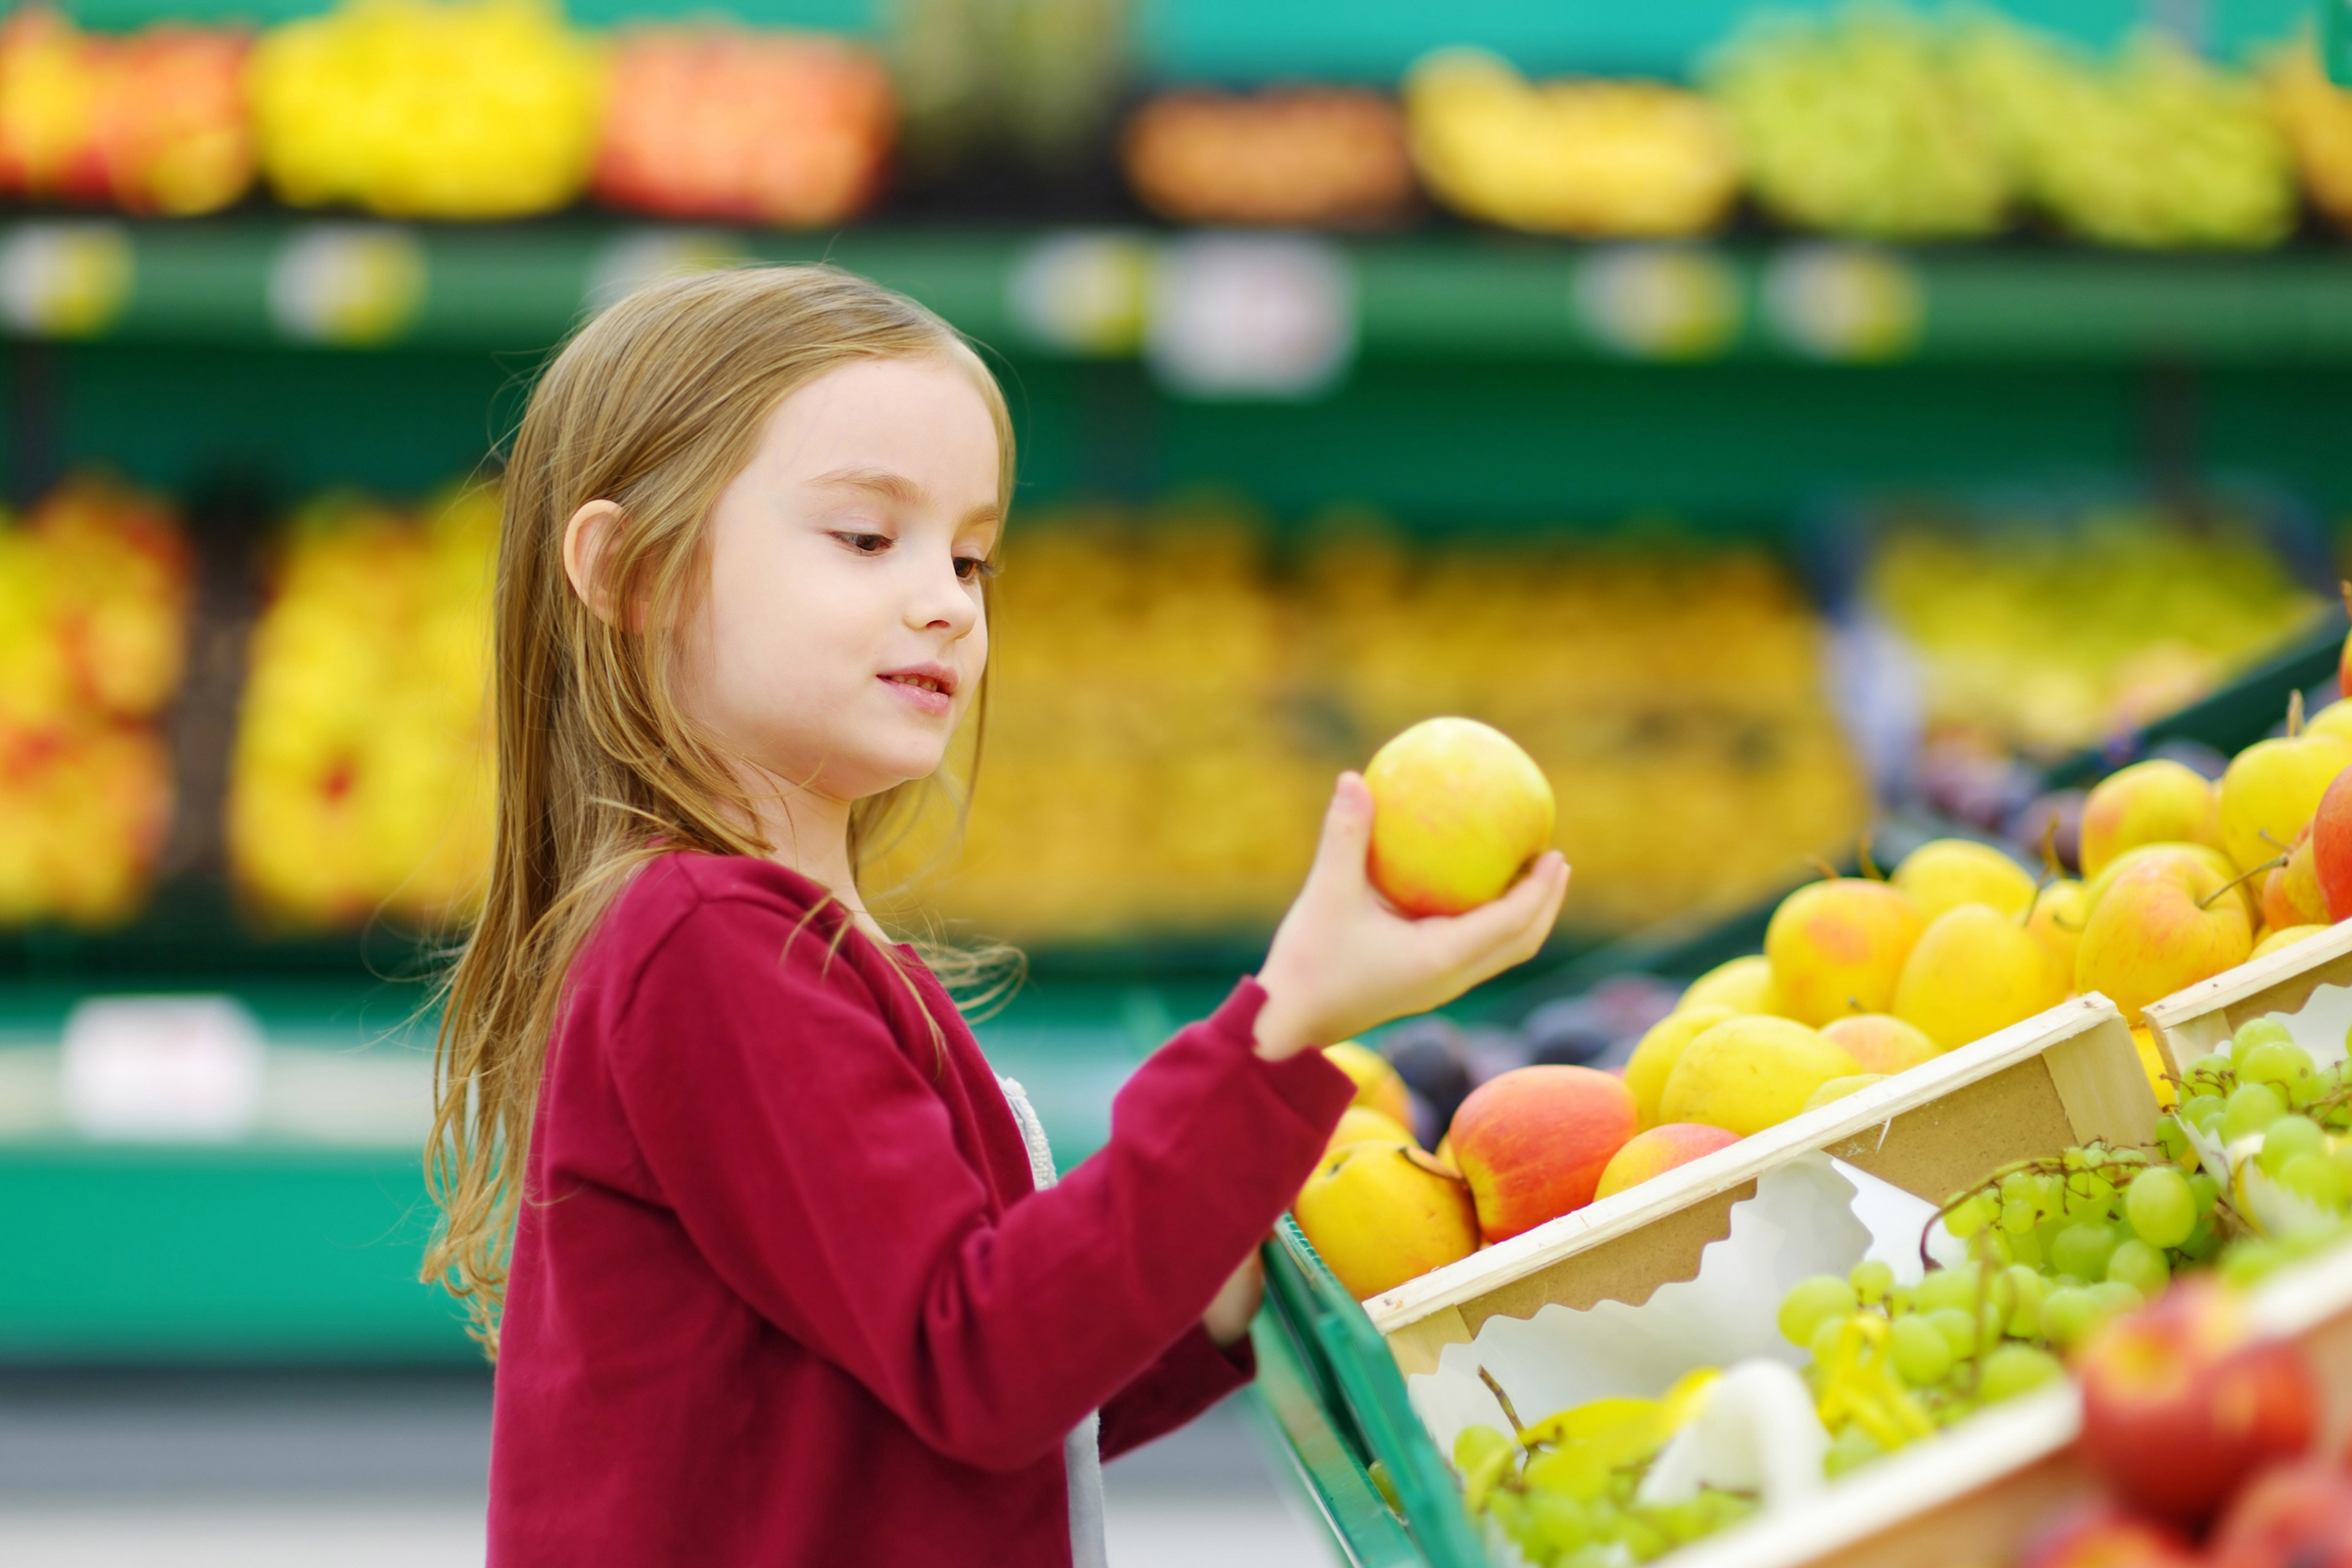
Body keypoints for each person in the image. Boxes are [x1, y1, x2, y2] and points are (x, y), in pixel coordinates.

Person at [423, 263, 1569, 1567]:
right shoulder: (711, 943)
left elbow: (985, 1408)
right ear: (630, 570)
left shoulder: (777, 941)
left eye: (970, 554)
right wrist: (1276, 1031)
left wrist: (1218, 1293)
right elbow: (979, 1358)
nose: (946, 599)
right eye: (868, 537)